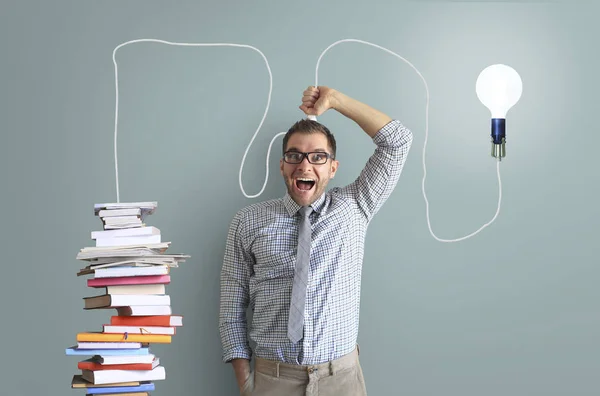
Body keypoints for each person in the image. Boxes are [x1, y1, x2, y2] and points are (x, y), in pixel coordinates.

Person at [219, 86, 413, 395]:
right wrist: (247, 384)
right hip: (272, 380)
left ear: (333, 168)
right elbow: (231, 311)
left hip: (342, 379)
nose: (305, 165)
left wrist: (337, 101)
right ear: (282, 164)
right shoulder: (248, 221)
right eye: (294, 155)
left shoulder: (354, 206)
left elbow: (397, 141)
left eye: (318, 157)